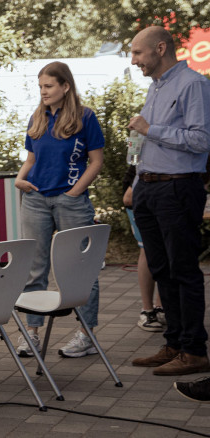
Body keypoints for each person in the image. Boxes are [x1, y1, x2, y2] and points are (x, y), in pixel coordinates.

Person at [128, 26, 210, 376]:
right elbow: (145, 141)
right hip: (149, 187)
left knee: (183, 270)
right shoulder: (156, 87)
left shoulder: (194, 84)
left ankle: (194, 351)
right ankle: (174, 342)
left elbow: (201, 140)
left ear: (160, 49)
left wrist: (151, 129)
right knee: (161, 269)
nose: (134, 61)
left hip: (178, 188)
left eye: (137, 53)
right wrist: (136, 182)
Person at [12, 61, 105, 359]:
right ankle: (32, 335)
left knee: (80, 267)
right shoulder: (36, 118)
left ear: (66, 86)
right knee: (34, 268)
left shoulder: (85, 117)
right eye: (40, 87)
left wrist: (74, 192)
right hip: (36, 200)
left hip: (71, 201)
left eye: (48, 86)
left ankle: (86, 336)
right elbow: (31, 158)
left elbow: (96, 162)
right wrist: (20, 178)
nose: (43, 92)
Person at [122, 165, 164, 332]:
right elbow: (128, 198)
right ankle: (147, 311)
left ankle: (161, 307)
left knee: (167, 251)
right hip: (140, 189)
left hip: (166, 189)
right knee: (147, 250)